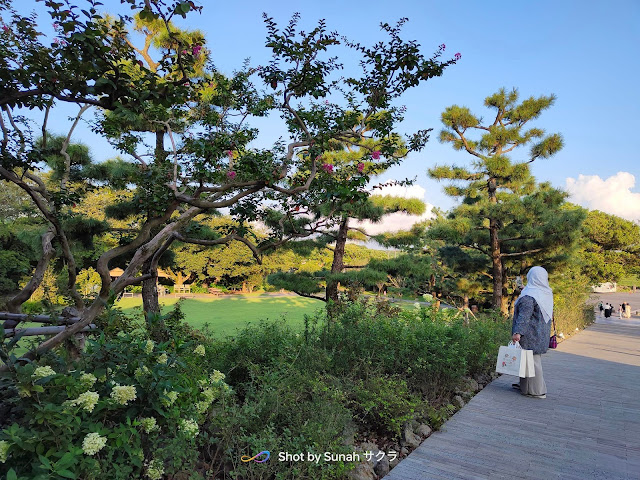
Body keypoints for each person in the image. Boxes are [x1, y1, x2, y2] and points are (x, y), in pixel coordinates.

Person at [511, 266, 553, 399]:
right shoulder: (545, 293)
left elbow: (524, 317)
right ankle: (525, 386)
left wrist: (518, 332)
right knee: (528, 361)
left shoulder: (529, 296)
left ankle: (537, 391)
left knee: (533, 362)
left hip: (530, 334)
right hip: (541, 333)